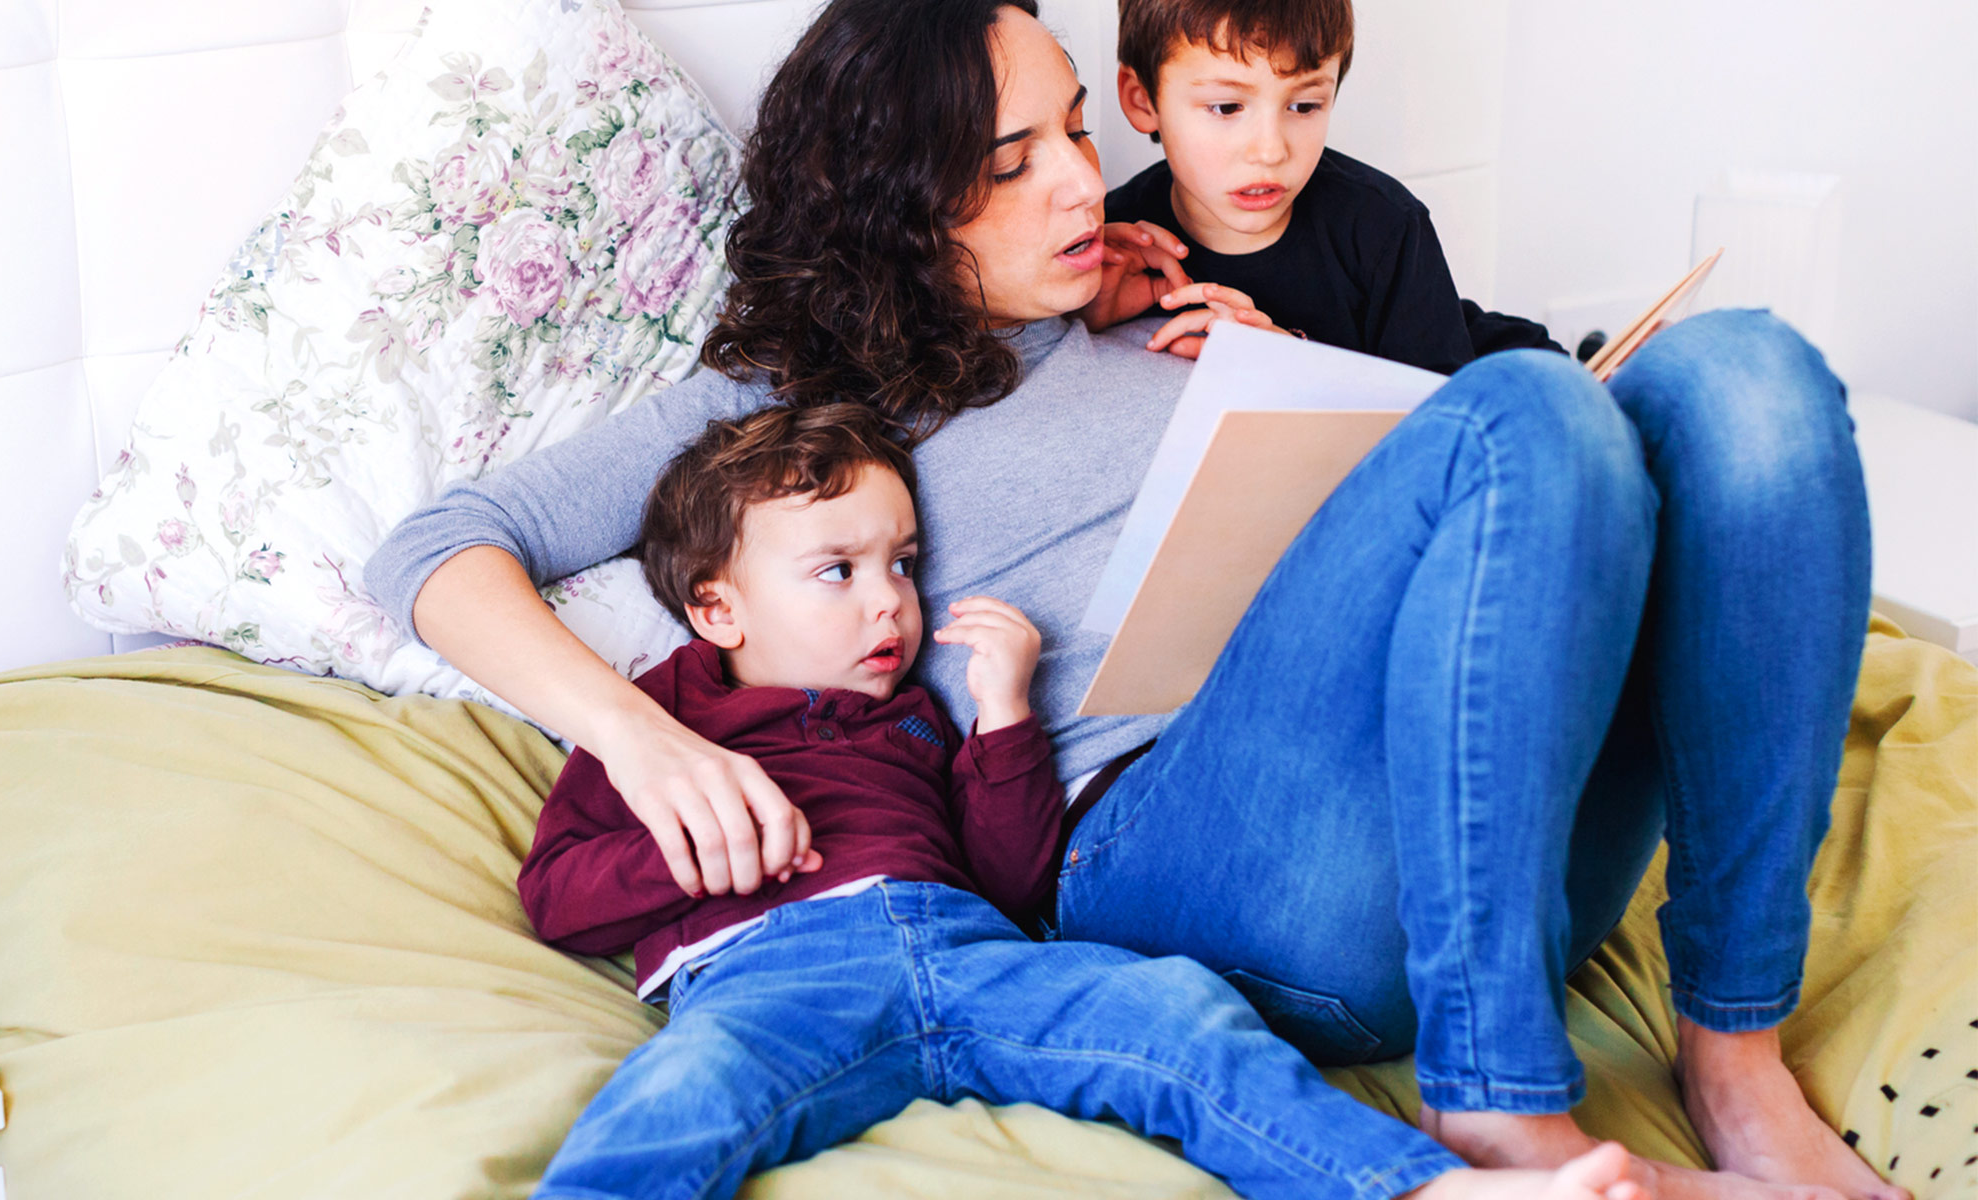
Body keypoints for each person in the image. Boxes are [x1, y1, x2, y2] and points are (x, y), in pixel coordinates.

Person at [364, 2, 1901, 1198]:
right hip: (1196, 855)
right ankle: (1496, 1092)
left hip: (1488, 835)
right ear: (902, 202)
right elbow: (441, 542)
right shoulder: (791, 395)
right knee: (1526, 408)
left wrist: (1280, 369)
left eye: (1079, 134)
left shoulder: (1173, 310)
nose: (1083, 184)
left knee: (1743, 374)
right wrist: (644, 741)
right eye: (1011, 160)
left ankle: (1733, 1044)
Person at [521, 403, 1642, 1199]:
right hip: (776, 972)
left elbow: (1012, 879)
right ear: (717, 611)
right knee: (681, 1095)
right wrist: (697, 850)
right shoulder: (658, 723)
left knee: (1182, 1016)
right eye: (839, 571)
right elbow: (559, 897)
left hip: (971, 948)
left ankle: (1407, 1186)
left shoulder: (917, 713)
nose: (890, 605)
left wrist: (1003, 719)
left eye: (904, 563)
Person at [1094, 0, 1560, 372]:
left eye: (1304, 106)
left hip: (1502, 368)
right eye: (1226, 107)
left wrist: (1297, 362)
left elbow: (1431, 424)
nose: (1271, 151)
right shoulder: (1118, 236)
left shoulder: (1384, 224)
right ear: (1142, 100)